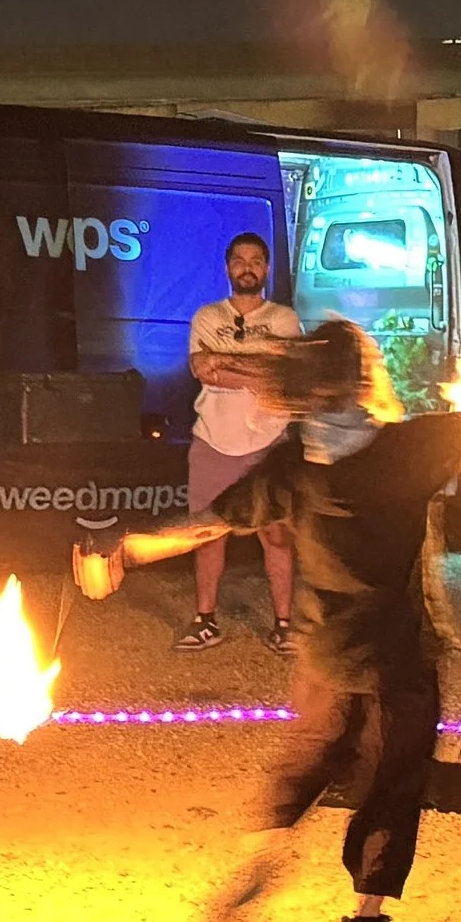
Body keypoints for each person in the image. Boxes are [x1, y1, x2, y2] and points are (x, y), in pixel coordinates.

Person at [94, 308, 461, 922]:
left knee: (308, 762)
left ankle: (258, 857)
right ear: (361, 379)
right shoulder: (405, 450)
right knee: (394, 779)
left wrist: (128, 550)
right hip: (394, 658)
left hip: (322, 654)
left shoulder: (294, 468)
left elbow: (209, 525)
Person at [175, 231, 300, 655]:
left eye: (256, 261)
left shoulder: (283, 319)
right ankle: (206, 620)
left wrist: (225, 360)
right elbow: (201, 371)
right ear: (228, 268)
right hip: (212, 442)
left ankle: (284, 624)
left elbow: (280, 375)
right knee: (208, 534)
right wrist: (254, 369)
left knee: (277, 535)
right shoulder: (207, 316)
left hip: (269, 442)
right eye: (239, 260)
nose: (247, 267)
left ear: (266, 269)